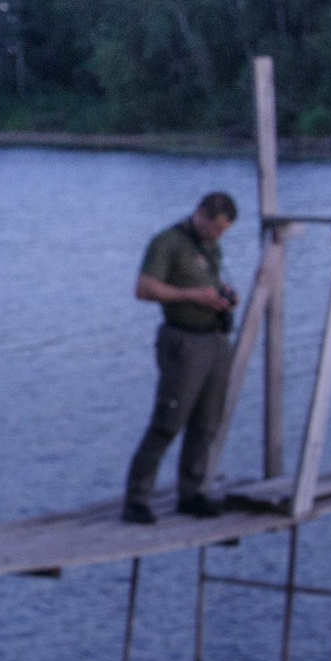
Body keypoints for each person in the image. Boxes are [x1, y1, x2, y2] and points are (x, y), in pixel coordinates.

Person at [121, 191, 239, 523]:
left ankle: (191, 492)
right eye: (214, 228)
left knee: (207, 422)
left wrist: (223, 297)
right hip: (183, 342)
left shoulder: (211, 246)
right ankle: (137, 499)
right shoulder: (167, 242)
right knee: (168, 421)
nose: (217, 236)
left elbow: (208, 282)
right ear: (200, 213)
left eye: (223, 232)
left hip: (215, 340)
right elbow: (144, 289)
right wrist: (193, 296)